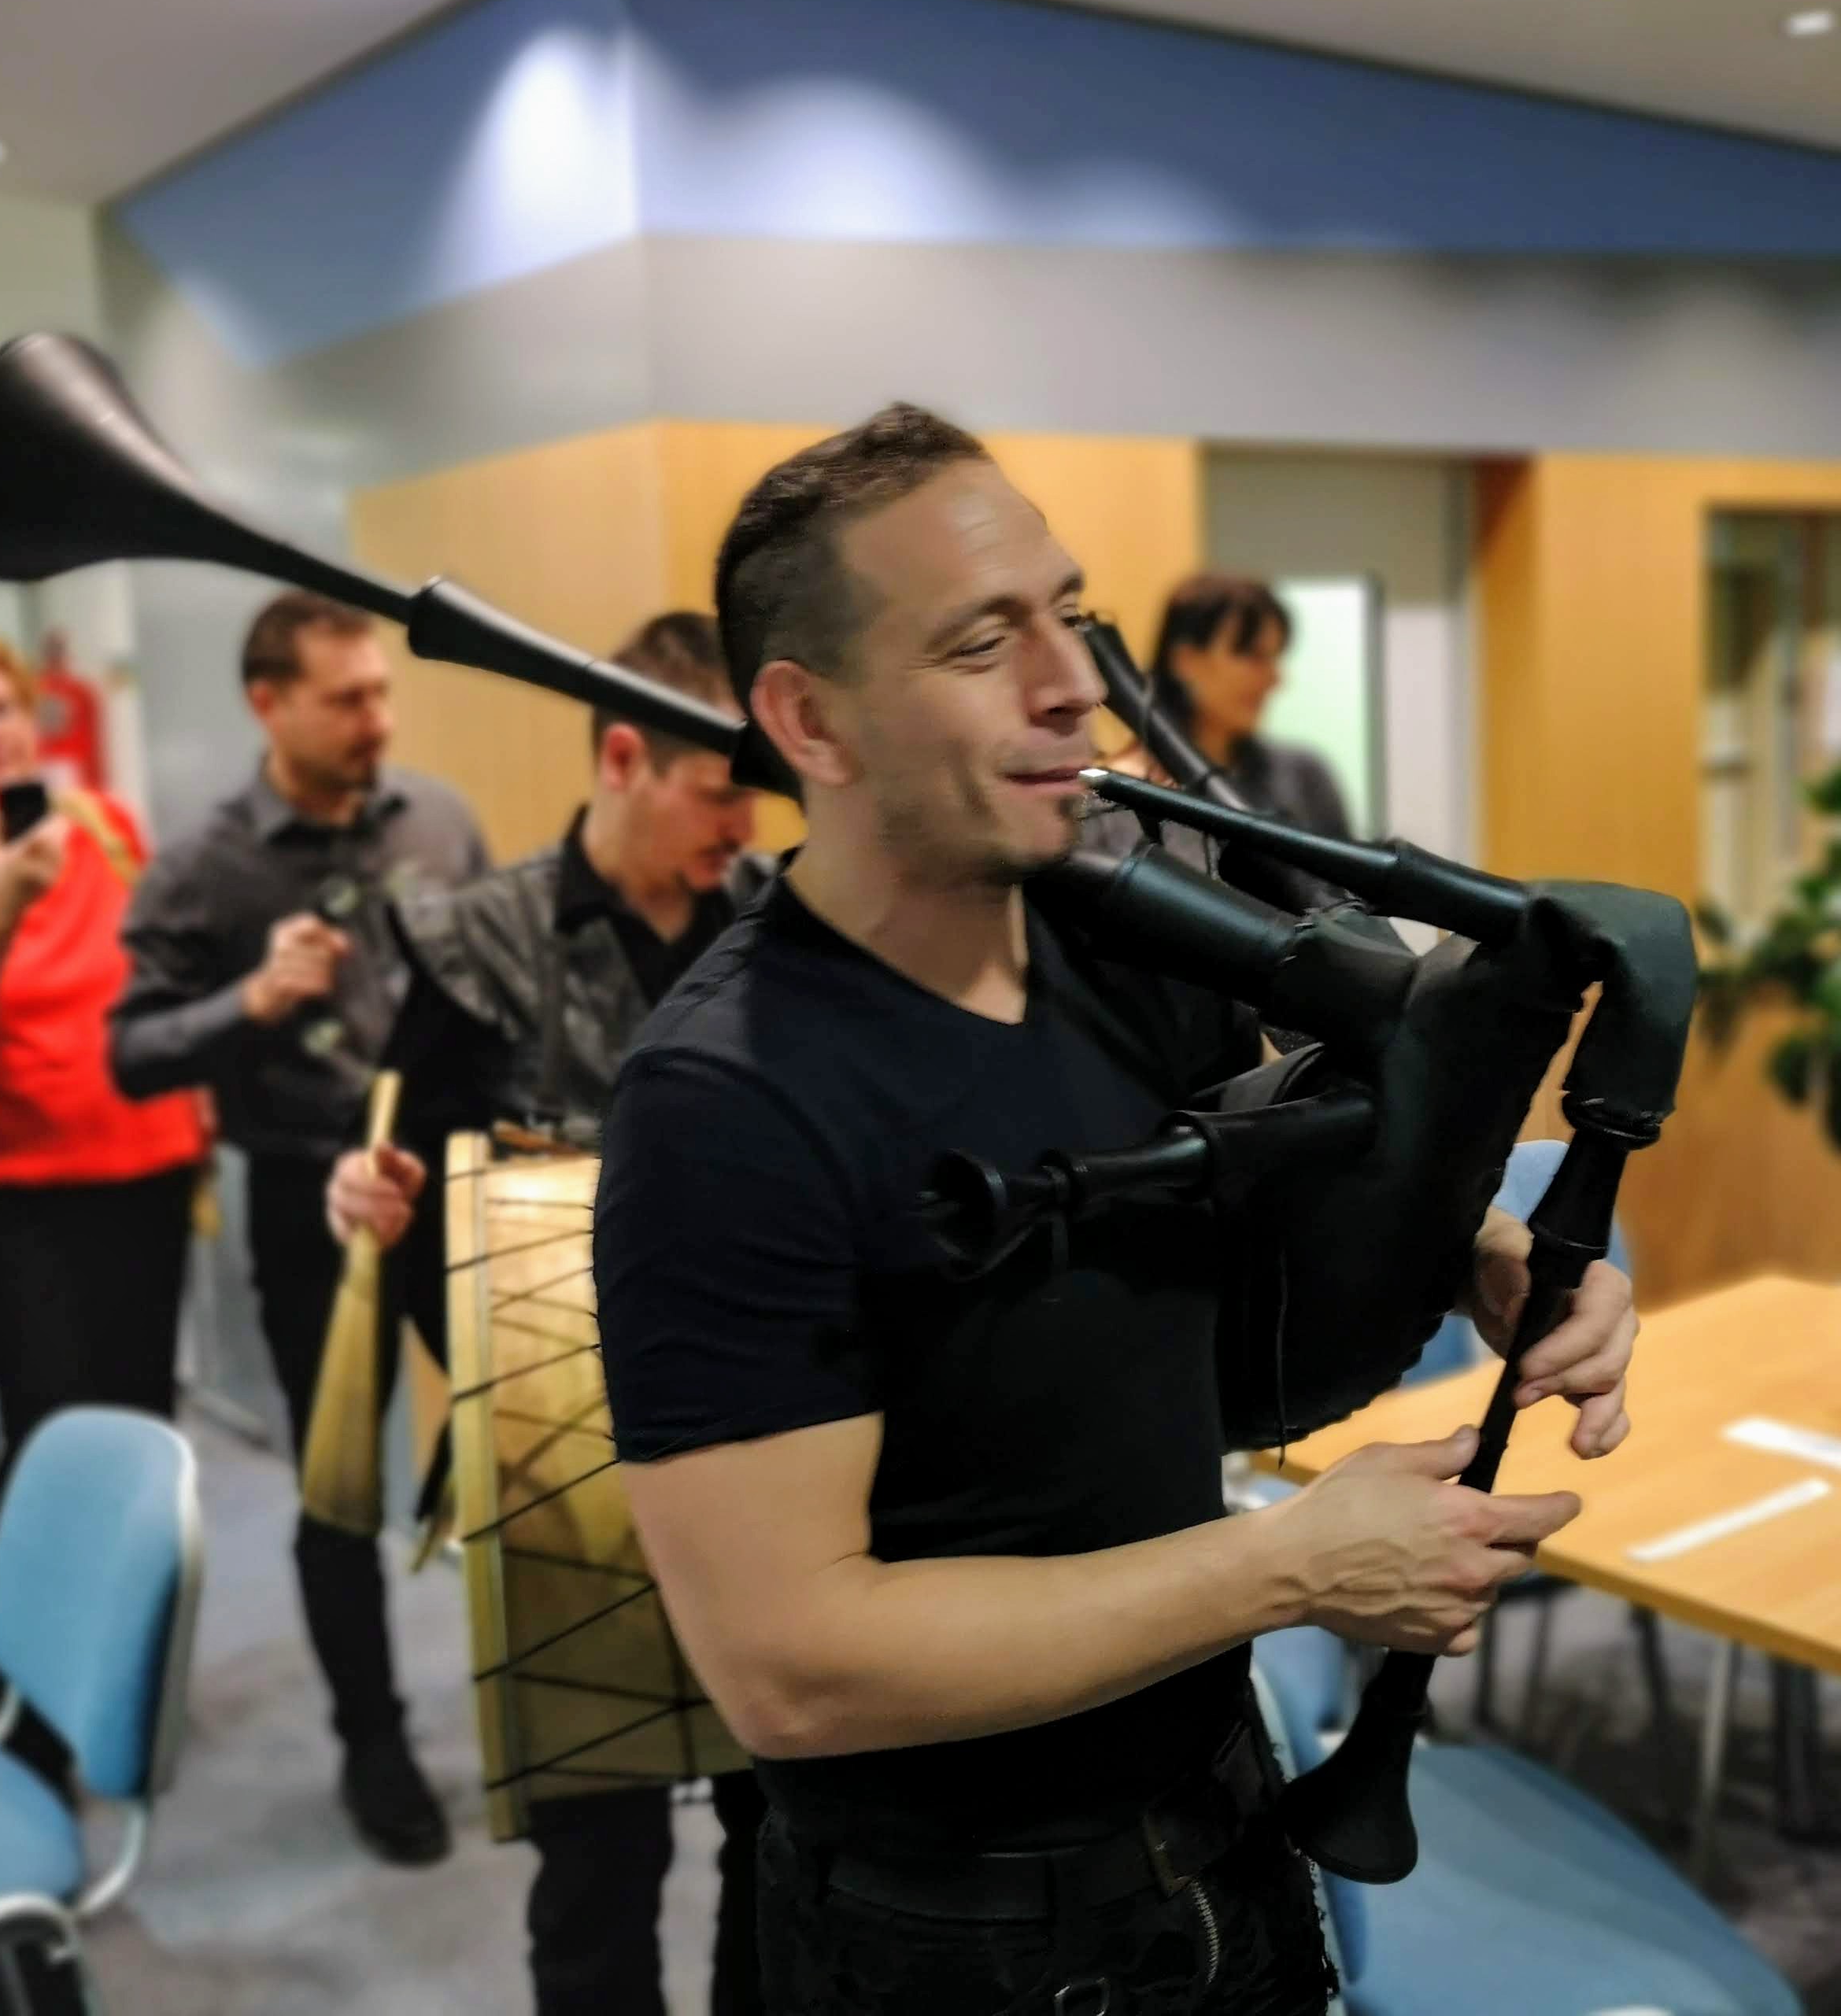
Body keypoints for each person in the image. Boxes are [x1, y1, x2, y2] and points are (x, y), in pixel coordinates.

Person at [590, 407, 1638, 2014]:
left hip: (1223, 1830)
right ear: (809, 719)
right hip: (953, 1938)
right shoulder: (722, 1105)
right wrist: (1284, 1571)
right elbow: (793, 1670)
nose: (1069, 680)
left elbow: (1263, 1226)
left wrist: (1483, 1255)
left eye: (1065, 613)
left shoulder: (1119, 945)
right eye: (978, 641)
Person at [328, 611, 771, 2016]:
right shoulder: (476, 942)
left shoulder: (781, 925)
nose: (743, 827)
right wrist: (374, 1197)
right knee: (595, 1865)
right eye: (718, 791)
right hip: (555, 1462)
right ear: (623, 757)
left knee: (782, 1834)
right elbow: (405, 1175)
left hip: (771, 1449)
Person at [110, 589, 488, 1863]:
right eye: (346, 699)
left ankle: (552, 1702)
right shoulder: (203, 867)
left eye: (381, 691)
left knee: (532, 1447)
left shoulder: (440, 819)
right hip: (306, 1205)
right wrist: (252, 1001)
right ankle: (373, 1744)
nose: (377, 718)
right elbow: (129, 1053)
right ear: (266, 704)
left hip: (454, 1177)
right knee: (339, 1491)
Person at [0, 630, 205, 1770]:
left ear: (29, 716)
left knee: (142, 1429)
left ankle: (131, 1686)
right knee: (44, 1441)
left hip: (145, 1159)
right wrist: (2, 906)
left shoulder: (107, 825)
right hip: (14, 1187)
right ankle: (26, 1716)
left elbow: (157, 974)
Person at [1144, 573, 1351, 837]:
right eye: (1253, 655)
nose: (1275, 679)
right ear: (1186, 660)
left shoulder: (1304, 778)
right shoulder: (1128, 790)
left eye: (1275, 657)